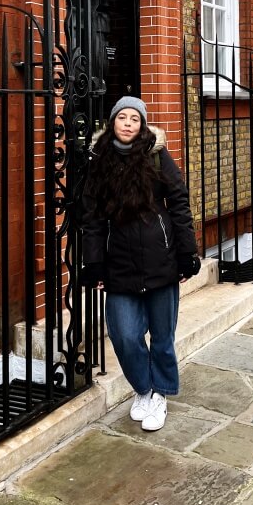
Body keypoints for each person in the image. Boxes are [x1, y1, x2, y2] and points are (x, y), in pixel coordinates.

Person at [80, 96, 200, 432]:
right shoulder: (99, 160)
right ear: (113, 122)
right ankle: (144, 389)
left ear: (143, 124)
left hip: (161, 258)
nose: (129, 123)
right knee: (124, 334)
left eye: (135, 118)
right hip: (119, 263)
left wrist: (187, 253)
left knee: (162, 336)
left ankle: (159, 394)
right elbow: (91, 217)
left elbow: (178, 201)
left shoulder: (156, 155)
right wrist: (94, 263)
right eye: (123, 117)